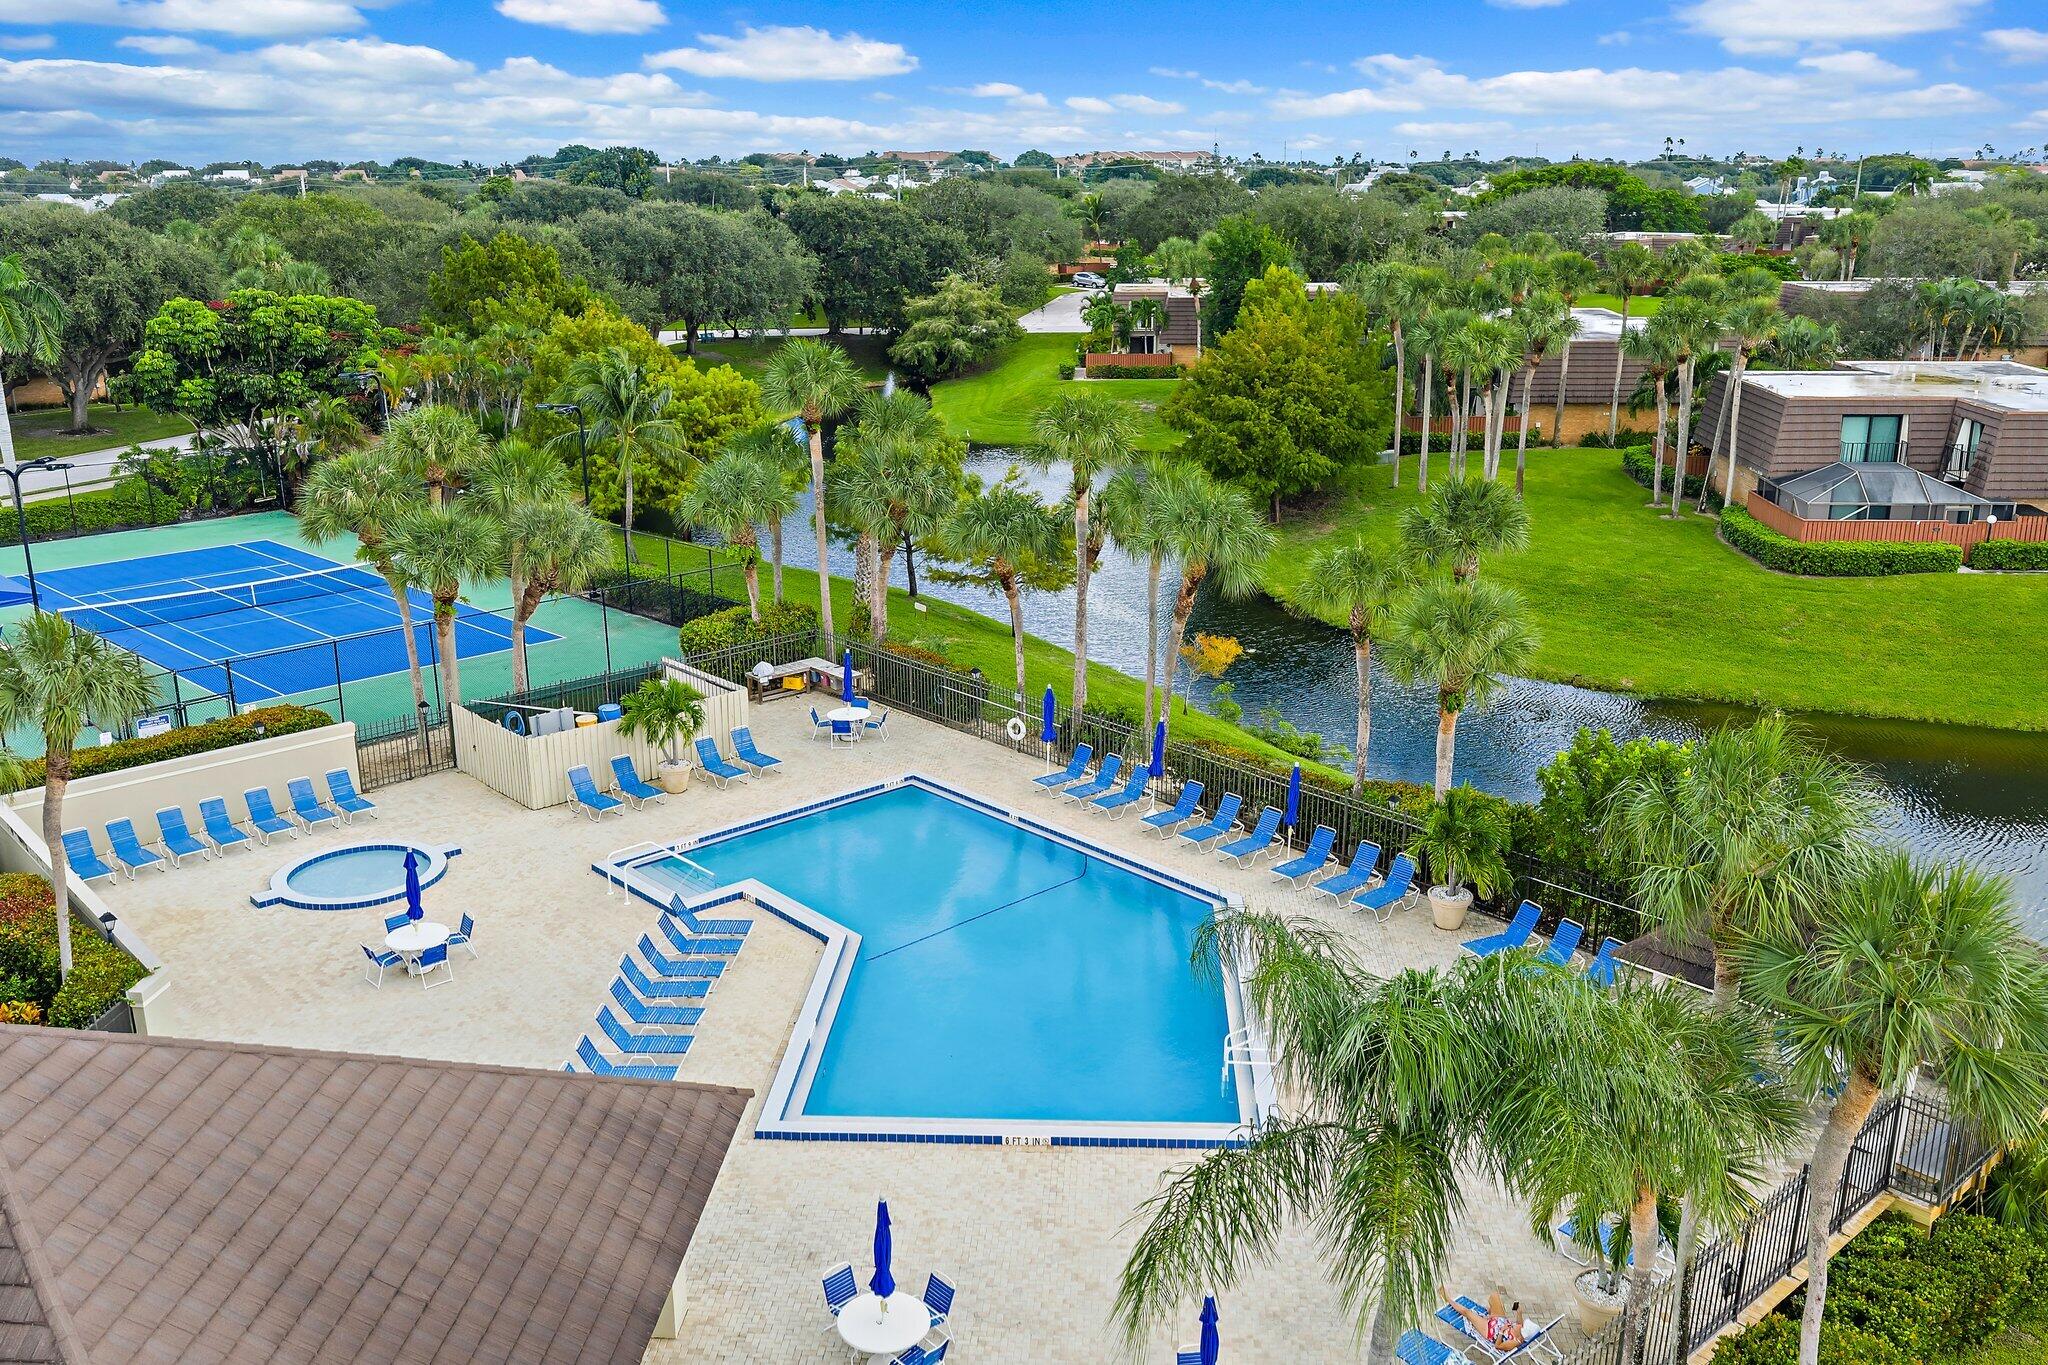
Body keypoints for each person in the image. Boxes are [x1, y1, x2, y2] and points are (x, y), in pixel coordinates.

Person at [1437, 1285, 1528, 1352]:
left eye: (1521, 1327)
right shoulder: (1521, 1330)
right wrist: (1519, 1312)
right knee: (1494, 1296)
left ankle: (1447, 1298)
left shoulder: (1513, 1343)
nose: (1519, 1325)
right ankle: (1490, 1314)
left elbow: (1498, 1346)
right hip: (1500, 1320)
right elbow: (1519, 1323)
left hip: (1490, 1330)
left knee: (1467, 1313)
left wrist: (1501, 1331)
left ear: (1521, 1334)